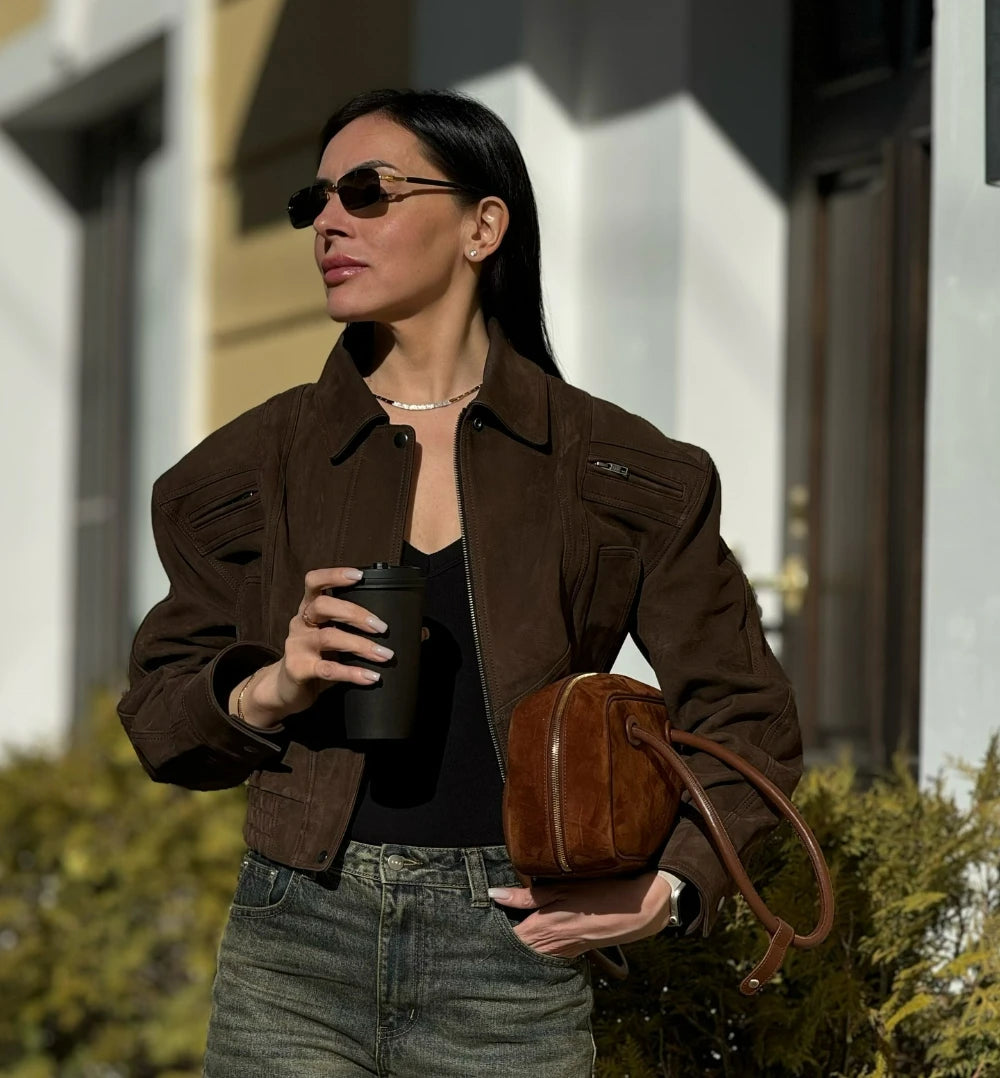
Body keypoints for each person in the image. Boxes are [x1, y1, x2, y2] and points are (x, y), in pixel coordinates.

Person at [118, 87, 802, 1077]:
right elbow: (159, 717)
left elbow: (746, 715)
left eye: (368, 192)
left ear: (484, 224)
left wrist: (669, 889)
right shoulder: (252, 464)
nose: (331, 223)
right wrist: (272, 684)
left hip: (514, 952)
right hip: (296, 940)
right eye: (317, 201)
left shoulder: (620, 469)